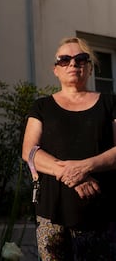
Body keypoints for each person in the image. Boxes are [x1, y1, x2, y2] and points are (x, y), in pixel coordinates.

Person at [22, 37, 116, 260]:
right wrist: (71, 174)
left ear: (90, 68)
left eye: (80, 59)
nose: (73, 64)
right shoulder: (42, 106)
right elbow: (30, 151)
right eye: (64, 60)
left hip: (100, 210)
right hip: (52, 211)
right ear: (56, 69)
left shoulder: (110, 103)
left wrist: (85, 167)